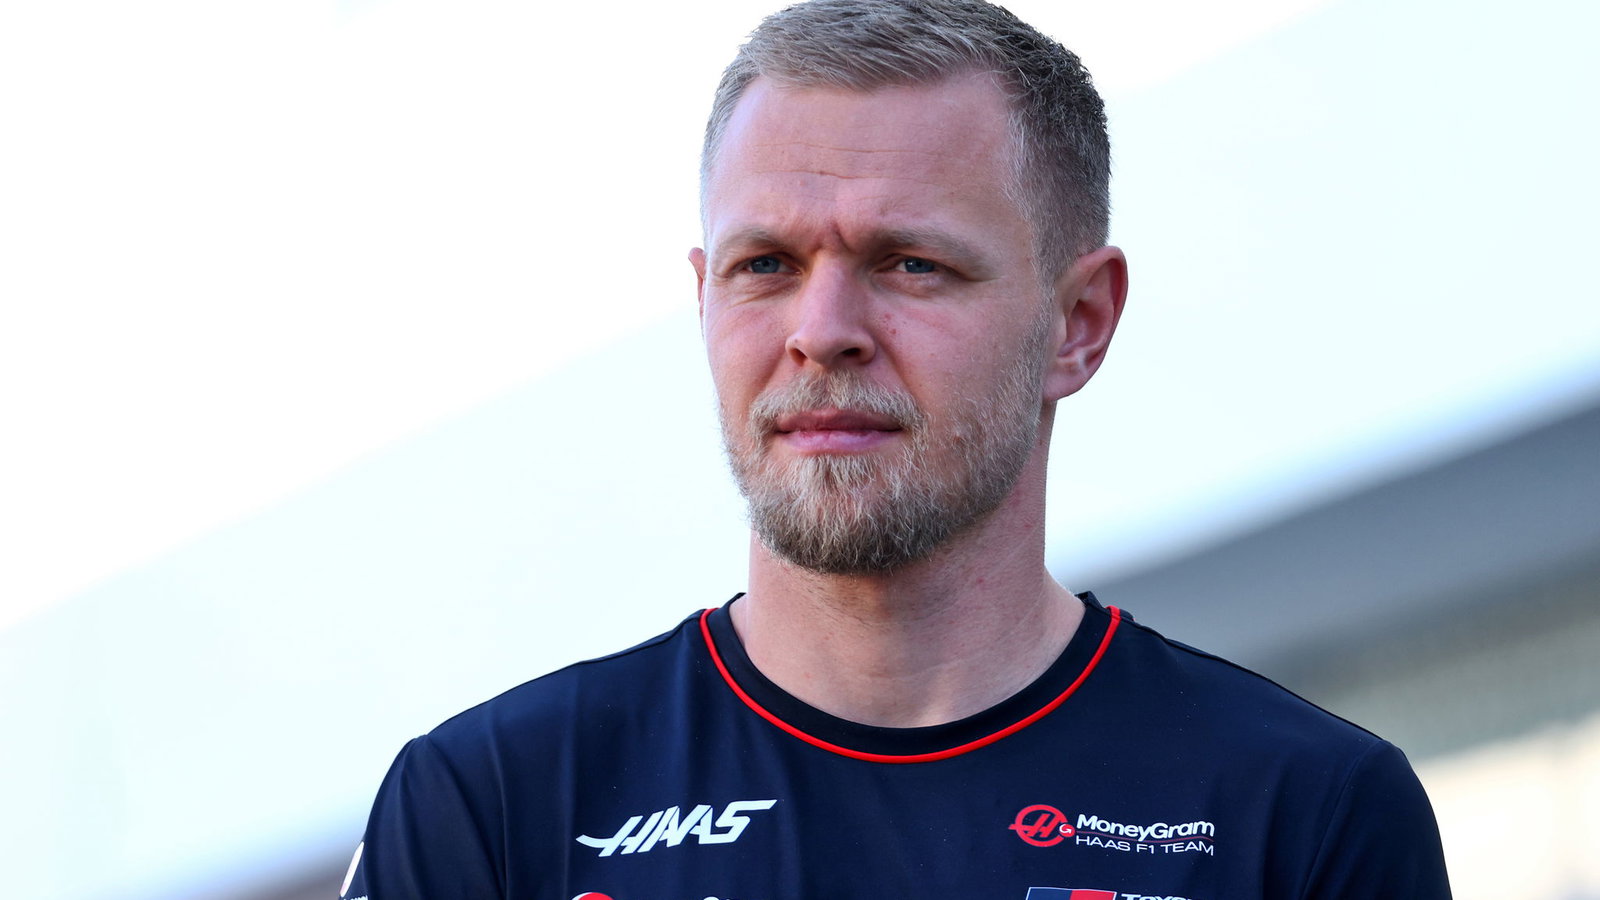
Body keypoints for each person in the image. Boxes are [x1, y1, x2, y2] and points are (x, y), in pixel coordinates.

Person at [342, 1, 1452, 897]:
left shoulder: (1303, 812)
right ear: (703, 298)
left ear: (1077, 324)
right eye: (765, 266)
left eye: (912, 264)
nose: (821, 330)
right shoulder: (494, 806)